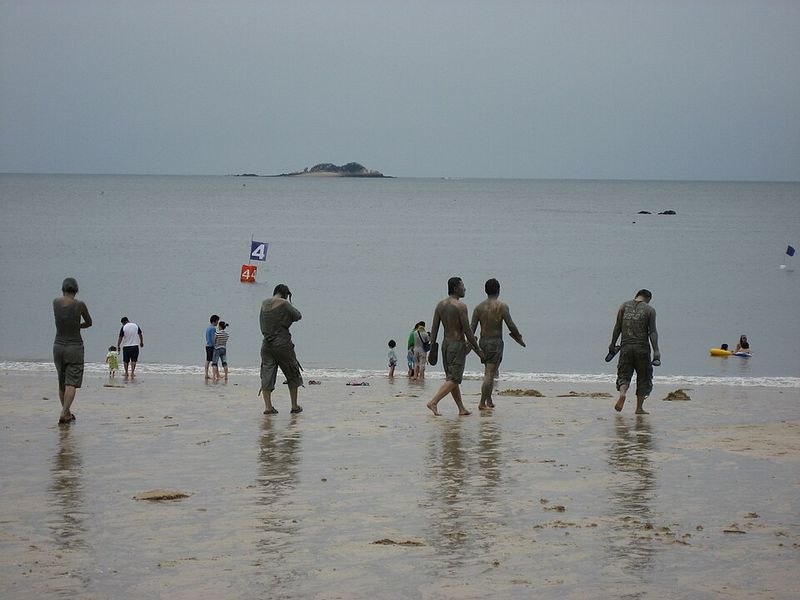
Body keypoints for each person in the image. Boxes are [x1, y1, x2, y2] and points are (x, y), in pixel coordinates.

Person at [426, 277, 484, 416]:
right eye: (462, 286)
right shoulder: (460, 306)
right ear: (455, 288)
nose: (465, 289)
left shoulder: (440, 305)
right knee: (454, 379)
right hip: (457, 345)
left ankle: (461, 408)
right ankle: (433, 402)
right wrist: (477, 348)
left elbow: (434, 329)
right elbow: (467, 330)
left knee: (451, 379)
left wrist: (432, 347)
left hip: (445, 345)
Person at [471, 278, 526, 410]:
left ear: (486, 291)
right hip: (495, 342)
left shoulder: (478, 307)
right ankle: (482, 402)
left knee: (490, 371)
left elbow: (471, 327)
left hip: (483, 341)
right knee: (490, 374)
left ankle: (489, 399)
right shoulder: (501, 306)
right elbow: (510, 324)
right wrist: (518, 337)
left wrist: (471, 344)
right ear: (498, 290)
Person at [608, 289, 660, 414]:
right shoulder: (650, 310)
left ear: (637, 295)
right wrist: (656, 351)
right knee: (644, 377)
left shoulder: (624, 306)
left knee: (624, 375)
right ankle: (639, 408)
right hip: (642, 349)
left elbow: (617, 327)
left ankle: (623, 394)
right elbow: (652, 332)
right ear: (648, 299)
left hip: (626, 348)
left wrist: (612, 344)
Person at [52, 277, 92, 424]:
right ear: (76, 290)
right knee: (71, 383)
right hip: (74, 347)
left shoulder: (55, 302)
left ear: (63, 289)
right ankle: (64, 412)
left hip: (58, 346)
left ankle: (67, 413)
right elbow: (89, 322)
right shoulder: (79, 304)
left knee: (62, 382)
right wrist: (79, 326)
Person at [259, 284, 303, 415]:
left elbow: (261, 323)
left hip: (266, 344)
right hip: (283, 344)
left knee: (266, 374)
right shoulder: (284, 303)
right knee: (292, 372)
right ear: (285, 293)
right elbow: (298, 316)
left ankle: (268, 407)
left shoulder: (263, 303)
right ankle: (294, 406)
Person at [205, 314, 220, 380]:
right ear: (214, 321)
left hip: (207, 345)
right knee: (215, 361)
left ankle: (206, 374)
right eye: (217, 321)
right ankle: (216, 375)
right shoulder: (213, 328)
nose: (217, 323)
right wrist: (215, 346)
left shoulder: (208, 328)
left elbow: (208, 338)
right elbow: (213, 339)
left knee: (208, 360)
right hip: (211, 346)